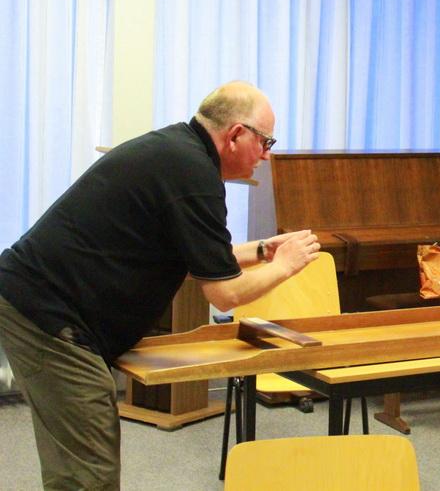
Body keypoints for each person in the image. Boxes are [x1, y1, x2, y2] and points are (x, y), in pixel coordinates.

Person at [0, 81, 321, 490]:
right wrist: (288, 265)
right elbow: (224, 293)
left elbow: (198, 258)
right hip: (47, 314)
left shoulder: (180, 153)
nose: (266, 154)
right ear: (236, 135)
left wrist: (261, 251)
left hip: (41, 301)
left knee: (86, 462)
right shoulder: (194, 175)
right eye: (265, 141)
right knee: (88, 474)